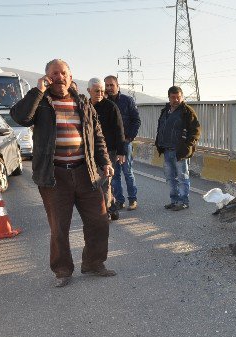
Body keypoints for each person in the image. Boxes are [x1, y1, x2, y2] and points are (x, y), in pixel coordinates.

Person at [10, 59, 115, 288]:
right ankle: (62, 270)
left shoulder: (83, 102)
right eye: (54, 73)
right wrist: (37, 90)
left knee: (99, 220)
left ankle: (94, 263)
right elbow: (20, 117)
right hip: (55, 175)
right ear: (47, 77)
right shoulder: (41, 102)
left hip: (85, 172)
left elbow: (97, 136)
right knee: (59, 227)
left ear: (70, 76)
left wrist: (105, 161)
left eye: (63, 73)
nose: (59, 77)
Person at [154, 85, 201, 211]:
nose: (175, 100)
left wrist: (188, 146)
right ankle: (174, 200)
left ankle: (183, 201)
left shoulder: (187, 111)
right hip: (167, 149)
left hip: (180, 151)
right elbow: (161, 128)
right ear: (169, 97)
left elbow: (196, 131)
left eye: (178, 97)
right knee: (170, 178)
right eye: (173, 97)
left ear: (182, 97)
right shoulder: (165, 111)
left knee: (182, 177)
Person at [87, 77, 125, 220]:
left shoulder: (111, 107)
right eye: (97, 91)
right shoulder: (85, 107)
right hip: (90, 152)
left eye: (102, 91)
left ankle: (106, 212)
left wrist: (121, 151)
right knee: (96, 183)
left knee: (105, 182)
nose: (100, 94)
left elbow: (119, 129)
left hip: (108, 151)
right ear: (89, 91)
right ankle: (112, 207)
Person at [104, 75, 140, 211]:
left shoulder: (127, 101)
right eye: (106, 85)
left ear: (117, 86)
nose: (109, 88)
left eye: (111, 85)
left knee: (128, 172)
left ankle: (133, 200)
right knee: (114, 174)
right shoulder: (103, 102)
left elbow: (136, 120)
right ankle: (119, 200)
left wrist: (129, 138)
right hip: (110, 145)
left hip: (125, 143)